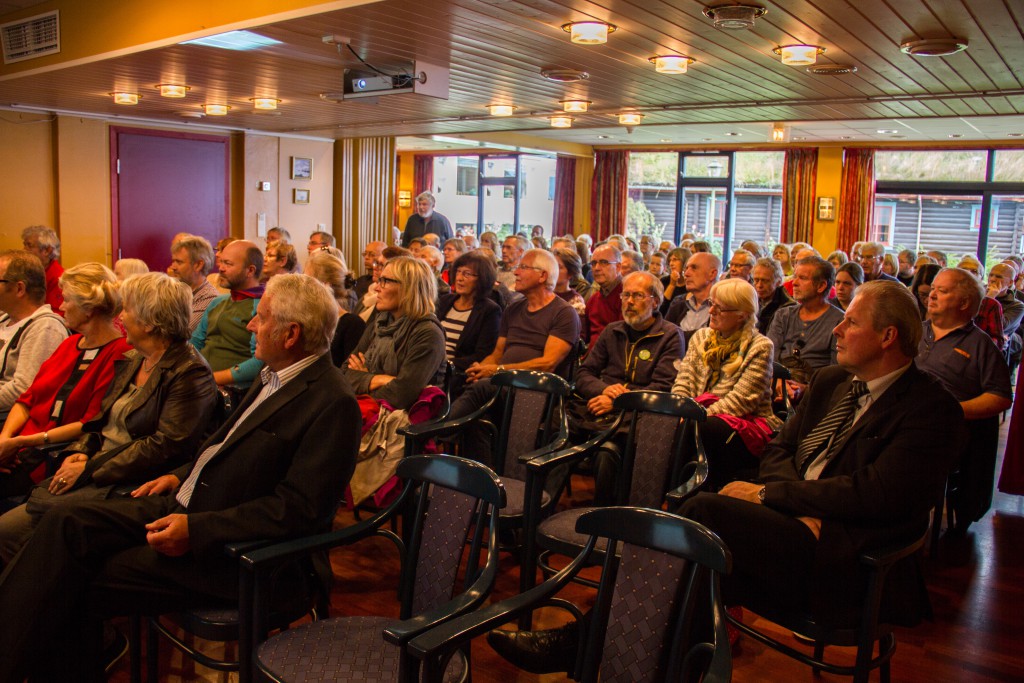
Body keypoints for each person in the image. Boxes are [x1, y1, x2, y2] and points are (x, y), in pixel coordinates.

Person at [0, 273, 361, 682]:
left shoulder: (332, 402)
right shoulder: (274, 375)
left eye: (260, 318)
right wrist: (179, 476)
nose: (250, 325)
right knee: (66, 523)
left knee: (79, 577)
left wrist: (197, 528)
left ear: (291, 334)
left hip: (238, 554)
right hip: (189, 502)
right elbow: (218, 447)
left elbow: (300, 510)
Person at [0, 272, 218, 563]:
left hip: (130, 483)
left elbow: (164, 445)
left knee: (26, 537)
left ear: (150, 322)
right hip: (100, 472)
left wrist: (90, 467)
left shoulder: (189, 372)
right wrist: (79, 452)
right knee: (14, 534)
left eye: (127, 309)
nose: (121, 316)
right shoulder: (134, 359)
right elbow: (99, 420)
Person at [0, 263, 130, 500]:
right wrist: (5, 440)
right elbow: (27, 400)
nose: (61, 306)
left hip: (47, 456)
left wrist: (19, 442)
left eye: (66, 299)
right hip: (18, 447)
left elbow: (89, 423)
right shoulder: (69, 345)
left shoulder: (120, 353)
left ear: (88, 309)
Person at [573, 272, 683, 501]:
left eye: (638, 296)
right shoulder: (612, 330)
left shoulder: (670, 335)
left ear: (655, 301)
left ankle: (605, 522)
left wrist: (617, 401)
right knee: (552, 432)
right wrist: (603, 390)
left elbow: (662, 387)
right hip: (596, 407)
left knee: (608, 450)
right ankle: (533, 512)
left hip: (635, 416)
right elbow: (584, 373)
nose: (629, 302)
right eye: (626, 295)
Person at [917, 268, 1012, 530]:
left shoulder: (980, 345)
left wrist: (953, 410)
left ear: (964, 302)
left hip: (944, 430)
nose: (931, 295)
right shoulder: (914, 332)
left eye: (942, 291)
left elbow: (1001, 397)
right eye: (933, 288)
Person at [673, 278, 782, 489]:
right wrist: (680, 409)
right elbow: (683, 381)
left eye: (719, 308)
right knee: (660, 419)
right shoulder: (701, 337)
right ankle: (658, 492)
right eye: (711, 304)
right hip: (696, 415)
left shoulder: (760, 346)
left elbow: (742, 402)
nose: (711, 310)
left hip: (744, 423)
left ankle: (690, 496)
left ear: (742, 315)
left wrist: (695, 418)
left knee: (706, 429)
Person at [344, 256, 446, 411]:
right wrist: (379, 379)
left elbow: (400, 395)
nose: (377, 287)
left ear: (409, 288)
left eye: (385, 281)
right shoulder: (380, 324)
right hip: (368, 411)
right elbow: (345, 373)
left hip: (405, 423)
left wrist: (364, 380)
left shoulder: (428, 333)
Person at [0, 251, 69, 422]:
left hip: (11, 422)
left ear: (19, 288)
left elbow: (24, 390)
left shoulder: (45, 327)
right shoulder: (4, 318)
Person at [190, 240, 264, 391]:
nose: (221, 268)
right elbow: (195, 343)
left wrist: (212, 379)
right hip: (201, 384)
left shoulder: (262, 307)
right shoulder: (217, 302)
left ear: (250, 271)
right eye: (221, 262)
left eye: (228, 264)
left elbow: (260, 361)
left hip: (235, 391)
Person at [768, 256, 844, 400]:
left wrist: (806, 390)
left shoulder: (839, 321)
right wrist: (776, 381)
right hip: (774, 384)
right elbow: (770, 354)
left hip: (816, 394)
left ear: (821, 286)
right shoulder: (784, 315)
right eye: (795, 277)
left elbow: (836, 372)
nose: (794, 283)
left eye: (802, 278)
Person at [437, 252, 502, 396]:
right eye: (458, 272)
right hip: (431, 365)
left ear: (482, 279)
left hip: (456, 374)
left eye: (467, 274)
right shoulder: (444, 301)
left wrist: (445, 364)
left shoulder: (489, 310)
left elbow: (482, 354)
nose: (459, 278)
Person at [304, 250, 366, 366]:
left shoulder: (352, 325)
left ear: (325, 285)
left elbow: (350, 372)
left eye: (308, 280)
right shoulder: (307, 319)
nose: (303, 287)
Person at [166, 234, 219, 334]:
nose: (173, 267)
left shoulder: (209, 298)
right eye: (173, 261)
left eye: (179, 262)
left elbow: (181, 334)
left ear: (198, 265)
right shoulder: (177, 292)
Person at [666, 252, 721, 342]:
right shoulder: (678, 302)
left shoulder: (723, 307)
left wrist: (679, 337)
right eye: (686, 269)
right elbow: (665, 336)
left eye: (694, 268)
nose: (686, 274)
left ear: (712, 274)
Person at [584, 243, 623, 345]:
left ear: (618, 267)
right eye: (593, 263)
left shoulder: (627, 297)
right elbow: (584, 336)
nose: (596, 268)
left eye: (604, 262)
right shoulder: (593, 299)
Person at [20, 226, 64, 315]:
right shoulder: (30, 271)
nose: (23, 250)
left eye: (29, 245)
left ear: (47, 250)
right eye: (24, 244)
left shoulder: (59, 278)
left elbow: (56, 314)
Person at [751, 257, 795, 335]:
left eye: (765, 281)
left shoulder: (788, 307)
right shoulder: (751, 300)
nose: (759, 285)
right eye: (756, 280)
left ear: (778, 282)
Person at [552, 247, 587, 321]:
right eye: (552, 265)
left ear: (570, 273)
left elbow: (579, 331)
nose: (553, 270)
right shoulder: (544, 293)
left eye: (559, 267)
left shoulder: (576, 301)